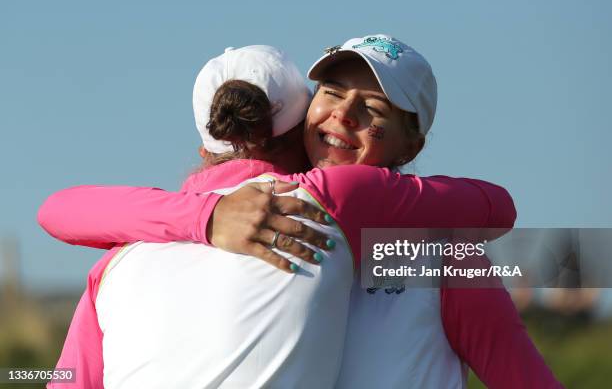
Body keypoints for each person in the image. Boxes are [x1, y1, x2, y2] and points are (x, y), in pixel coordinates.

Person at [40, 37, 560, 388]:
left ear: (411, 144)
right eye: (330, 93)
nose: (342, 114)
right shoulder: (146, 244)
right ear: (298, 119)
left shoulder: (435, 252)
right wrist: (208, 217)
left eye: (373, 110)